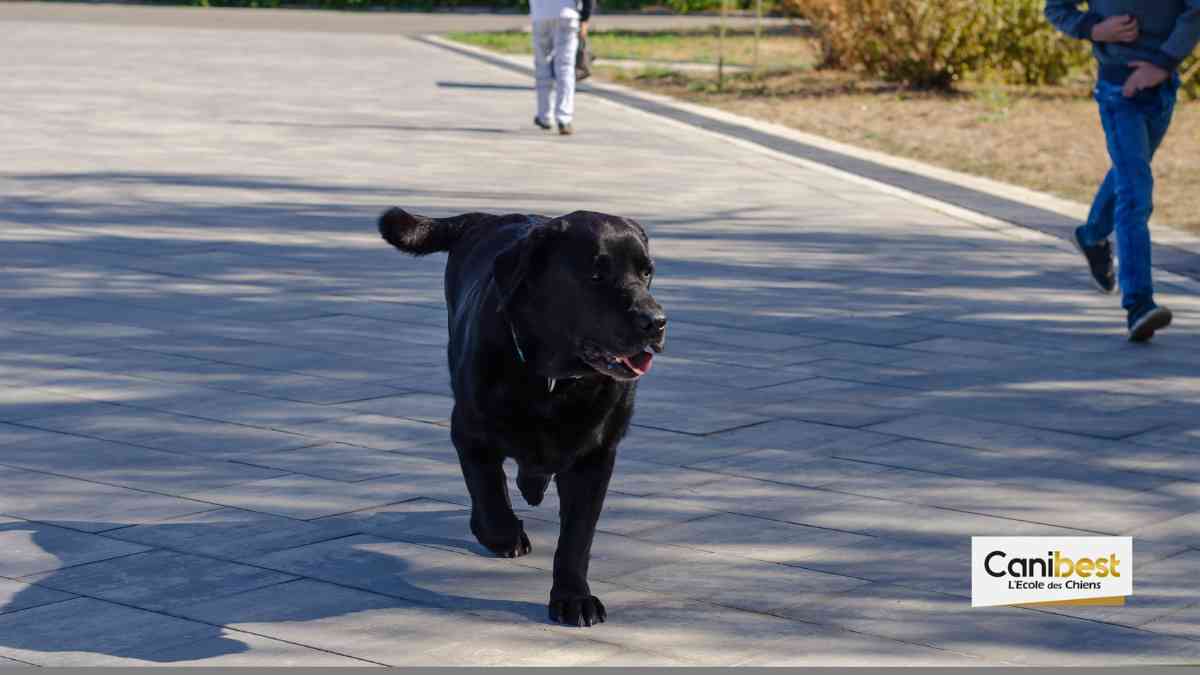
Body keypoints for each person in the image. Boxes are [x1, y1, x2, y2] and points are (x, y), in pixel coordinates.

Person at [1044, 1, 1200, 342]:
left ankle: (1091, 235)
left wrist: (1163, 63)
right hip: (1118, 89)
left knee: (1130, 174)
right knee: (1135, 192)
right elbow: (1056, 7)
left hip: (1162, 86)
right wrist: (1093, 29)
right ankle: (1139, 304)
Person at [530, 0, 594, 135]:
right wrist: (585, 18)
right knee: (565, 68)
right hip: (567, 15)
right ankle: (564, 119)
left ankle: (544, 116)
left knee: (542, 66)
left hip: (540, 15)